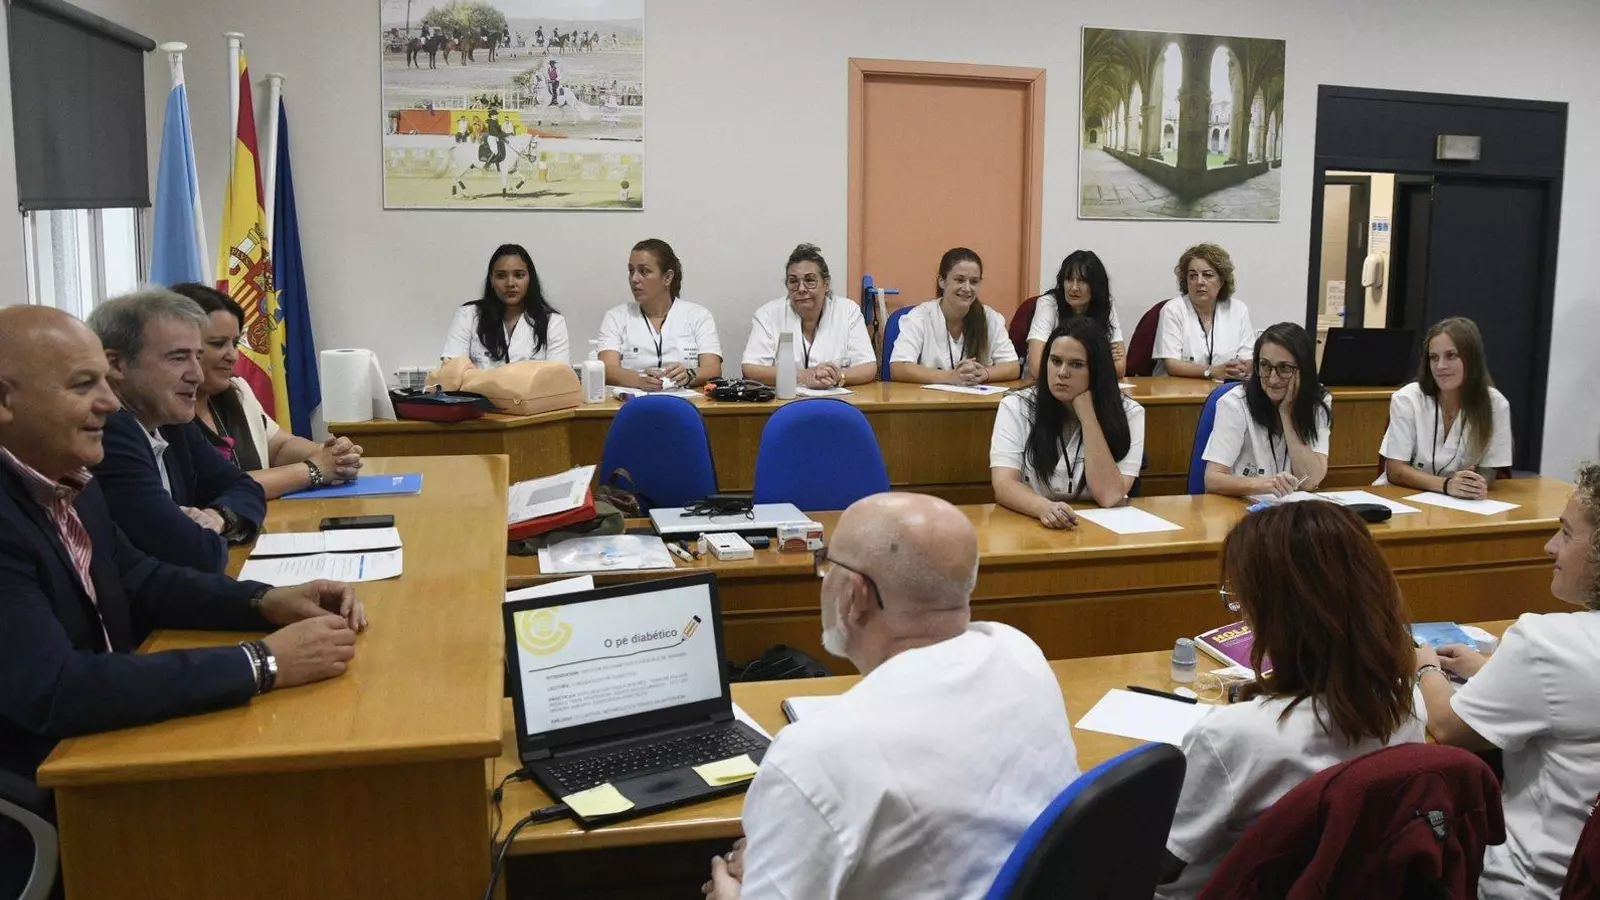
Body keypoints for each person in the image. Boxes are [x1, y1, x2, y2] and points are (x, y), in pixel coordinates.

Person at [0, 306, 367, 896]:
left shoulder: (68, 480)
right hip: (53, 793)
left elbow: (142, 579)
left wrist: (265, 600)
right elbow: (55, 689)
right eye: (84, 385)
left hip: (106, 745)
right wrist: (262, 662)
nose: (110, 403)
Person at [702, 493, 1078, 900]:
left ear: (856, 596)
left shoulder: (811, 756)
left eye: (828, 564)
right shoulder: (1020, 652)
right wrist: (781, 850)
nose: (824, 578)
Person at [1157, 502, 1425, 898]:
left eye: (1240, 599)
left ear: (1273, 613)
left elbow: (1159, 864)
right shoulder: (1406, 702)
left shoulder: (1231, 737)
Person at [1414, 464, 1600, 900]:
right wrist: (1490, 670)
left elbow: (1449, 728)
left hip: (1529, 881)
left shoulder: (1546, 641)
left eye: (1566, 533)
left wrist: (1424, 667)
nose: (1550, 546)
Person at [87, 290, 267, 573]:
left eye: (198, 356)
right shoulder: (106, 434)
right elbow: (196, 554)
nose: (197, 375)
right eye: (178, 358)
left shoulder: (171, 423)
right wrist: (200, 536)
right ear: (115, 365)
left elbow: (246, 487)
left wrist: (218, 517)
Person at [175, 283, 365, 501]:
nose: (233, 356)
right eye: (218, 344)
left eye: (235, 343)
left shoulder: (237, 391)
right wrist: (314, 469)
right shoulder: (165, 413)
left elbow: (279, 447)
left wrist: (334, 456)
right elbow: (220, 486)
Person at [991, 318, 1145, 525]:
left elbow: (1109, 497)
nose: (1062, 373)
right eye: (1055, 361)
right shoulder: (1016, 406)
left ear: (1098, 371)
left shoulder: (1131, 413)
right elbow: (1003, 485)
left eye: (1076, 365)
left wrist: (1088, 416)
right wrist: (1043, 508)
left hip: (1101, 528)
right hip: (1033, 522)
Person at [1378, 317, 1513, 499]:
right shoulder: (1407, 398)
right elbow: (1395, 471)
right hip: (1402, 496)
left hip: (1459, 502)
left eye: (1451, 356)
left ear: (1472, 359)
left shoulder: (1495, 404)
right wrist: (1447, 485)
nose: (1440, 366)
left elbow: (1490, 468)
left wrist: (1473, 483)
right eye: (1434, 358)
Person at [1202, 322, 1332, 498]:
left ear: (1304, 370)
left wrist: (1286, 413)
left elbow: (1310, 481)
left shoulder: (1318, 403)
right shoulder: (1235, 403)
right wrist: (1267, 484)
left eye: (1284, 368)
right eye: (1265, 365)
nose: (1272, 379)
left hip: (1292, 509)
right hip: (1240, 506)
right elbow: (1213, 480)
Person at [741, 243, 877, 389]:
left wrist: (839, 376)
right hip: (783, 400)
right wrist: (803, 376)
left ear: (826, 284)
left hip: (837, 399)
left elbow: (868, 367)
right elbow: (751, 369)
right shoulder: (768, 314)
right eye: (793, 281)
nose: (801, 289)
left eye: (810, 280)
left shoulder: (848, 311)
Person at [597, 238, 723, 391]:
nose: (634, 279)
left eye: (644, 271)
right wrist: (639, 380)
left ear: (667, 277)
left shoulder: (698, 316)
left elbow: (713, 369)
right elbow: (607, 369)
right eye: (631, 271)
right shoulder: (616, 317)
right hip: (633, 400)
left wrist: (689, 374)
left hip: (686, 400)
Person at [888, 248, 1021, 385]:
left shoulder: (991, 318)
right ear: (942, 281)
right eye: (959, 280)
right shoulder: (920, 317)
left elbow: (1012, 366)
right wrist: (949, 377)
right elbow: (898, 367)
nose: (967, 288)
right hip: (929, 398)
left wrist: (984, 374)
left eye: (974, 282)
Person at [441, 244, 571, 368]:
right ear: (491, 280)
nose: (510, 283)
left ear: (530, 278)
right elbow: (451, 373)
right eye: (501, 276)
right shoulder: (468, 315)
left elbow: (558, 378)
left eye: (519, 275)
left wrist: (477, 376)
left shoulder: (553, 322)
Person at [1153, 243, 1256, 379]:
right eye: (1192, 276)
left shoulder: (1238, 310)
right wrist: (1212, 371)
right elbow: (1172, 365)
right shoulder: (1172, 310)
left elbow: (1247, 359)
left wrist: (1240, 368)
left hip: (1226, 387)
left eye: (1207, 275)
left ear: (1222, 280)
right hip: (1178, 388)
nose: (1199, 282)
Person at [1026, 250, 1126, 379]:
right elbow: (1037, 368)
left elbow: (1120, 368)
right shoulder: (1048, 304)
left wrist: (1066, 363)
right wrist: (1099, 362)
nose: (1073, 287)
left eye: (1082, 281)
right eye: (1068, 279)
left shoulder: (1106, 305)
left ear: (1096, 286)